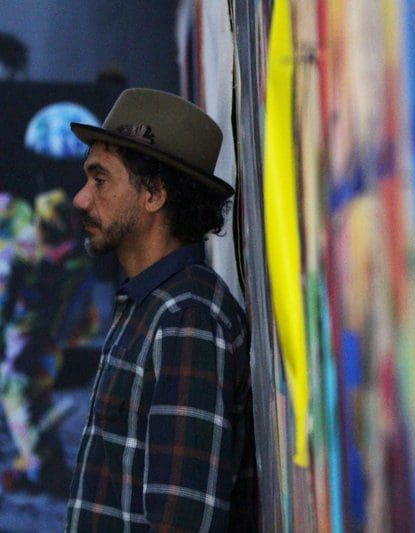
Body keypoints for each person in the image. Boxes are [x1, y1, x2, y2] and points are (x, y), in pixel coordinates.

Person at [64, 88, 258, 531]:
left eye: (100, 180)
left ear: (153, 194)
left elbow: (183, 520)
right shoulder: (150, 304)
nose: (81, 199)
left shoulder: (186, 317)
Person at [0, 188, 95, 494]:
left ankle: (38, 468)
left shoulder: (30, 253)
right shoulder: (71, 257)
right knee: (35, 400)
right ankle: (47, 466)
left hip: (29, 338)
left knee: (21, 397)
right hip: (43, 338)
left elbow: (6, 299)